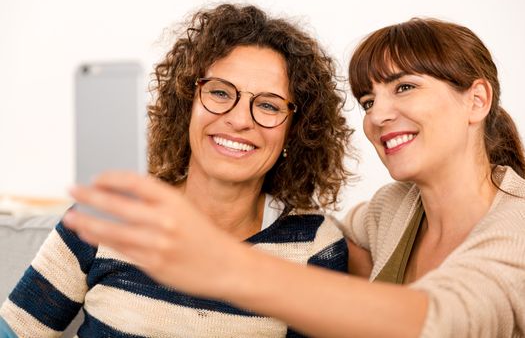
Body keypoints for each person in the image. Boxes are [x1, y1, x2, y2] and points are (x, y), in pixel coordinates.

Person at [56, 18, 524, 337]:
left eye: (404, 86)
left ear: (477, 100)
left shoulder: (516, 225)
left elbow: (443, 319)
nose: (379, 114)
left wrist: (222, 264)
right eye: (367, 101)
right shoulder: (390, 211)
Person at [0, 4, 354, 337]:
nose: (239, 119)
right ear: (188, 103)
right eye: (219, 92)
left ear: (296, 129)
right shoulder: (108, 215)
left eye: (267, 105)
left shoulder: (314, 246)